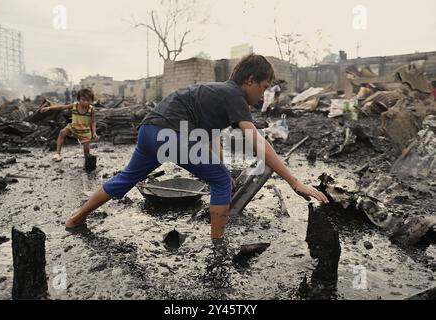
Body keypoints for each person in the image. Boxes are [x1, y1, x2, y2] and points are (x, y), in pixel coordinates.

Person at [64, 54, 328, 240]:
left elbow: (212, 139)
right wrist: (294, 182)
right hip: (167, 135)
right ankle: (218, 245)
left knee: (125, 179)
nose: (263, 94)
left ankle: (76, 218)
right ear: (249, 80)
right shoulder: (234, 95)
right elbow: (257, 141)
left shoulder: (216, 94)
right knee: (222, 181)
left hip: (149, 132)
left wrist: (219, 167)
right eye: (264, 87)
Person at [41, 88, 98, 162]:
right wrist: (49, 108)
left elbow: (93, 121)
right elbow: (62, 107)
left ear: (91, 101)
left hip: (84, 131)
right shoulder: (75, 105)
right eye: (83, 100)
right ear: (79, 99)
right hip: (73, 128)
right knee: (62, 132)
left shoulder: (91, 109)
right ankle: (58, 154)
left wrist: (94, 132)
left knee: (87, 153)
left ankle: (87, 163)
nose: (86, 102)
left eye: (88, 100)